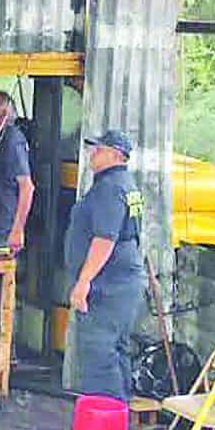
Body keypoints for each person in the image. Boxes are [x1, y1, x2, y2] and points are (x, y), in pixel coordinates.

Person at [66, 129, 146, 400]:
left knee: (99, 354)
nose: (93, 153)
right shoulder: (125, 183)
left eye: (99, 150)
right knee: (116, 350)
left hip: (108, 285)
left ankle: (105, 419)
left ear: (116, 156)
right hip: (121, 280)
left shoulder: (110, 188)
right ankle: (119, 419)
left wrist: (83, 282)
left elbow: (104, 240)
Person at [0, 91, 34, 256]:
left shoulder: (13, 140)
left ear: (3, 114)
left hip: (3, 230)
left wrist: (17, 230)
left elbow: (27, 187)